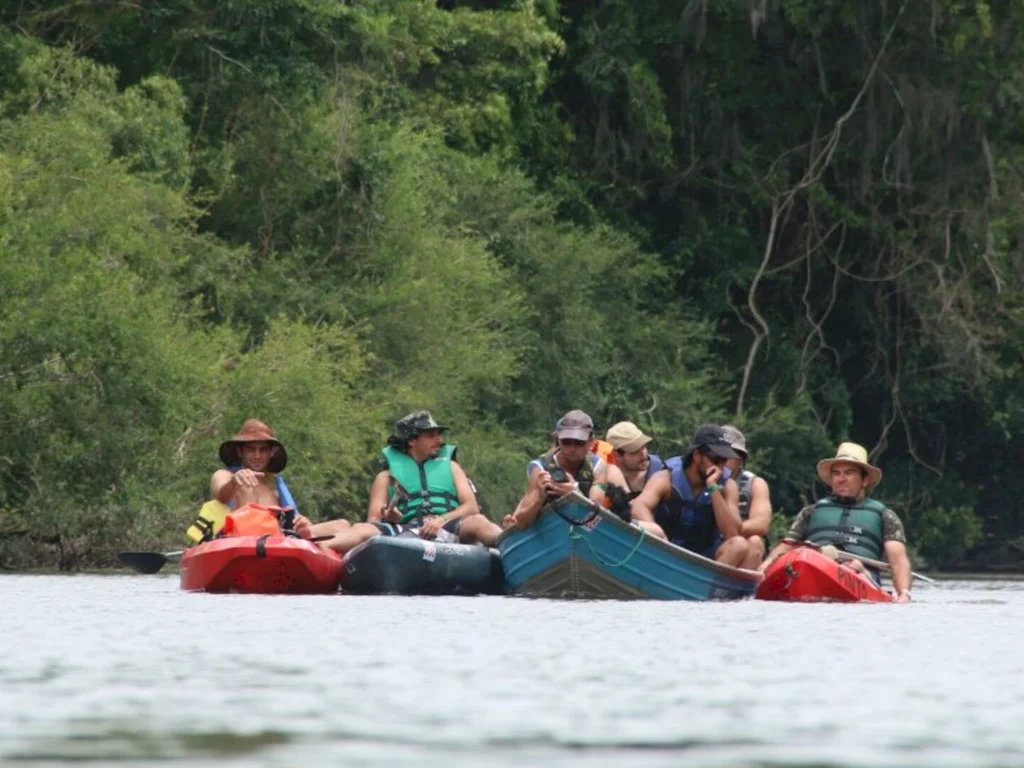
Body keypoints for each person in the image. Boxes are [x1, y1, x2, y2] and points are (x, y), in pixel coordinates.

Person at [319, 411, 502, 553]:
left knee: (478, 521)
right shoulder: (385, 478)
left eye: (439, 434)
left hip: (449, 527)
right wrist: (389, 518)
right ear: (412, 440)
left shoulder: (452, 467)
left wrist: (440, 520)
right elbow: (374, 520)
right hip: (406, 529)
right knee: (362, 528)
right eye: (431, 435)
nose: (440, 440)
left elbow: (471, 507)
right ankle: (320, 548)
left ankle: (509, 542)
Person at [759, 442, 913, 603]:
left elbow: (898, 560)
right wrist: (766, 566)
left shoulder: (885, 516)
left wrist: (903, 594)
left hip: (862, 573)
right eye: (836, 474)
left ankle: (857, 571)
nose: (841, 479)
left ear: (865, 480)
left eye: (849, 473)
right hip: (815, 564)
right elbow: (787, 545)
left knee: (854, 566)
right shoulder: (810, 511)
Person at [506, 410, 665, 536]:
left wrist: (574, 491)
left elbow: (595, 505)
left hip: (591, 529)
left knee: (656, 531)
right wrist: (540, 498)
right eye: (566, 442)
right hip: (550, 528)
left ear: (591, 442)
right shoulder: (540, 469)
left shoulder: (599, 467)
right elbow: (521, 522)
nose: (572, 449)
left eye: (579, 442)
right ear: (557, 439)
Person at [630, 424, 756, 567]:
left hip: (705, 560)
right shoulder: (666, 478)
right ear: (697, 455)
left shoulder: (728, 486)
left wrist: (713, 488)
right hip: (665, 551)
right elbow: (639, 506)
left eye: (724, 461)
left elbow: (732, 534)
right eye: (715, 459)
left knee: (739, 544)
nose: (720, 467)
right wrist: (659, 537)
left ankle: (705, 587)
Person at [190, 418, 317, 541]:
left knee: (334, 526)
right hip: (236, 541)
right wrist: (235, 480)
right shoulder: (224, 475)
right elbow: (222, 495)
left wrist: (303, 525)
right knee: (246, 486)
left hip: (275, 544)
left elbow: (293, 523)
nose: (257, 456)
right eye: (251, 449)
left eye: (263, 450)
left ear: (271, 453)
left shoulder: (277, 484)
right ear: (240, 452)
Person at [720, 425, 772, 564]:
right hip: (706, 539)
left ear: (740, 459)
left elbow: (760, 524)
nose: (723, 459)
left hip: (739, 541)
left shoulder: (755, 484)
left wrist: (729, 528)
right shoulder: (703, 474)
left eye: (730, 454)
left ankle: (735, 585)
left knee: (755, 542)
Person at [605, 421, 666, 499]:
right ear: (616, 454)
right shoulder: (605, 477)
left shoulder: (663, 472)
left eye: (644, 447)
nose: (643, 453)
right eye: (635, 451)